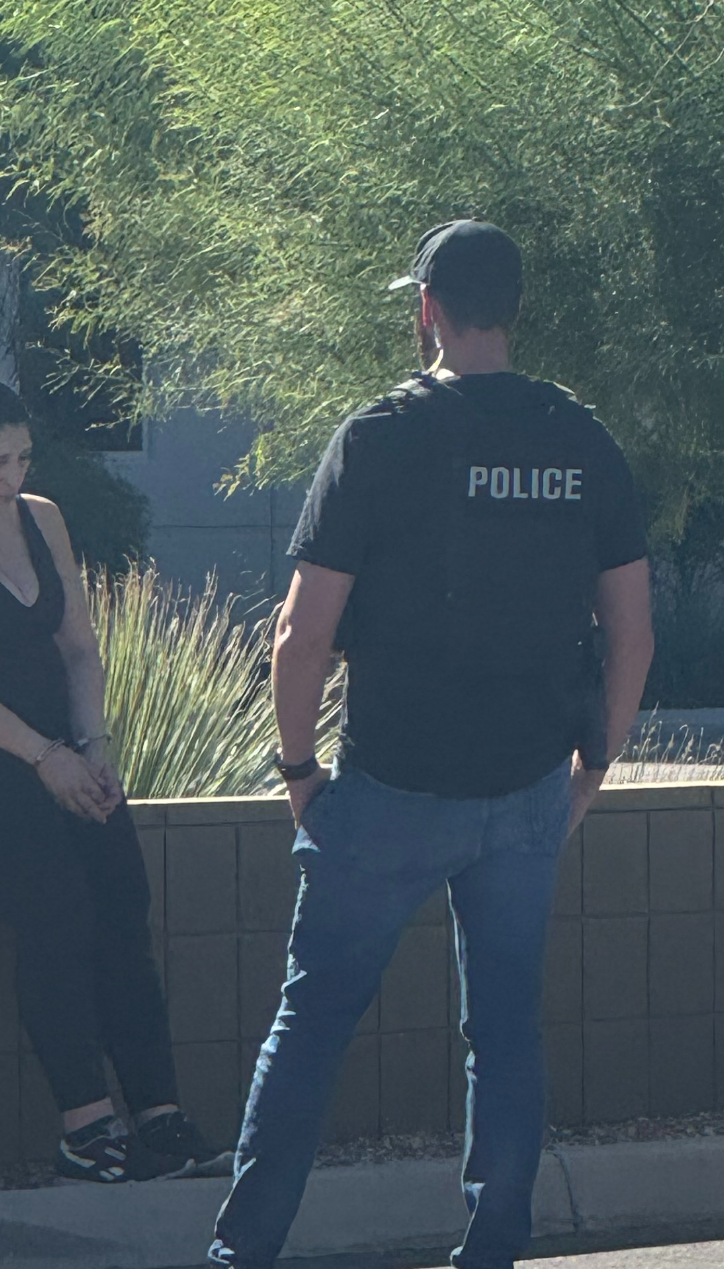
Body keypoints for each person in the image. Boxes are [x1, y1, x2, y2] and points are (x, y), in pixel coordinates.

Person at [207, 221, 656, 1268]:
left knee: (309, 1028)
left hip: (388, 790)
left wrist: (296, 771)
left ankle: (243, 1253)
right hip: (526, 792)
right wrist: (593, 766)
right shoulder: (578, 440)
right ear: (512, 308)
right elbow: (629, 633)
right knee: (501, 1032)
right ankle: (491, 1246)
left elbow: (299, 633)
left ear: (425, 310)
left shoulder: (377, 437)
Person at [0, 340, 230, 1184]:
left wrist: (92, 748)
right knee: (57, 907)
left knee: (121, 895)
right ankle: (87, 1126)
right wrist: (41, 757)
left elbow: (79, 649)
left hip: (55, 746)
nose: (11, 475)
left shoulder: (43, 517)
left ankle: (159, 1113)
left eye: (23, 457)